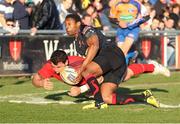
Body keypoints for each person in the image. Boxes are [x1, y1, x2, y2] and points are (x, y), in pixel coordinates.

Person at [64, 13, 160, 109]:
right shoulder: (77, 45)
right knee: (107, 97)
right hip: (110, 63)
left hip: (112, 54)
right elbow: (92, 63)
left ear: (78, 23)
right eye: (65, 25)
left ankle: (99, 102)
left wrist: (81, 70)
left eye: (69, 24)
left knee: (86, 70)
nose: (67, 27)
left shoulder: (86, 29)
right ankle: (144, 97)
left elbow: (95, 45)